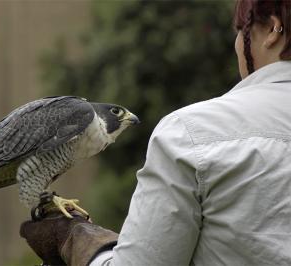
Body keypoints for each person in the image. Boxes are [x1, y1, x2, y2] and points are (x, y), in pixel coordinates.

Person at [20, 0, 291, 265]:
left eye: (241, 30)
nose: (236, 46)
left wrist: (78, 243)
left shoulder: (193, 132)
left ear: (272, 29)